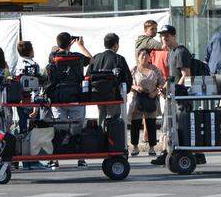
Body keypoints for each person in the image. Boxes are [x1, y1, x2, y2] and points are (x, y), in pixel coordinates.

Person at [151, 24, 201, 166]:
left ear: (173, 36)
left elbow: (186, 75)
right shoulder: (171, 52)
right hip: (172, 95)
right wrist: (164, 88)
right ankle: (166, 153)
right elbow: (173, 76)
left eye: (167, 35)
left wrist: (176, 91)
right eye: (162, 36)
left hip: (179, 97)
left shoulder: (180, 52)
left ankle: (190, 154)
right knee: (168, 126)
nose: (164, 38)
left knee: (178, 126)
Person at [46, 32, 92, 169]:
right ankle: (80, 158)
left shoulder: (53, 57)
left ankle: (55, 158)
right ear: (70, 42)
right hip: (75, 97)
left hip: (58, 98)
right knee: (77, 128)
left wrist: (66, 45)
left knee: (58, 129)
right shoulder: (77, 57)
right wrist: (81, 46)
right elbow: (92, 59)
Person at [13, 41, 46, 170]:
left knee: (22, 131)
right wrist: (36, 108)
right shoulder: (34, 65)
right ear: (30, 50)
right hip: (30, 102)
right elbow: (36, 87)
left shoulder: (16, 64)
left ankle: (23, 160)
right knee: (33, 132)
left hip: (19, 102)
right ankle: (32, 161)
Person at [88, 33, 132, 126]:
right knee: (113, 119)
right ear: (116, 45)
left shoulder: (96, 57)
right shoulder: (119, 58)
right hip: (113, 96)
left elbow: (88, 76)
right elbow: (127, 78)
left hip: (97, 95)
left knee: (101, 116)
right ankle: (111, 139)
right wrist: (125, 92)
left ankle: (100, 137)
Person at [130, 49, 164, 156]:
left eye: (146, 55)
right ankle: (135, 147)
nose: (144, 57)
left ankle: (152, 147)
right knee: (135, 124)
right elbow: (128, 84)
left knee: (151, 124)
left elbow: (162, 84)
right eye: (142, 55)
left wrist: (155, 92)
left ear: (150, 57)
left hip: (151, 98)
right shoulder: (134, 70)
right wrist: (136, 87)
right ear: (138, 57)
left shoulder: (155, 70)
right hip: (137, 99)